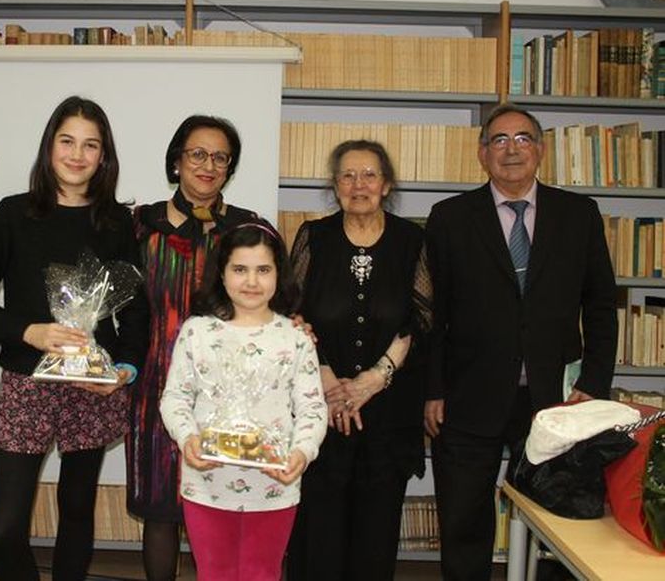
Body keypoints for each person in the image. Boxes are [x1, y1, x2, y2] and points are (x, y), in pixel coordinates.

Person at [0, 96, 148, 581]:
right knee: (4, 525)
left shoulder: (116, 223)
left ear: (104, 157)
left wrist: (123, 371)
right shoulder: (13, 215)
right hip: (26, 382)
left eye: (91, 145)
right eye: (67, 141)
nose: (77, 155)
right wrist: (28, 331)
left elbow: (137, 313)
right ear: (49, 147)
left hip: (92, 386)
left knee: (77, 512)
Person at [424, 103, 617, 580]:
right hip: (468, 395)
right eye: (500, 141)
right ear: (482, 153)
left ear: (541, 150)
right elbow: (431, 315)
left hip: (556, 399)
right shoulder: (449, 217)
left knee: (557, 517)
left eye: (523, 139)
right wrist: (432, 389)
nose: (512, 150)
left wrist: (593, 383)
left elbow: (599, 306)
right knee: (465, 519)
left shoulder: (579, 214)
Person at [285, 140, 432, 580]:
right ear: (335, 185)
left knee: (375, 536)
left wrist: (374, 379)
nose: (358, 184)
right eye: (347, 176)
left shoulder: (413, 240)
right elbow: (293, 314)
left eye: (369, 175)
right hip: (320, 410)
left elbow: (421, 318)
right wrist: (329, 381)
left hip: (388, 415)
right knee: (319, 534)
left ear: (386, 185)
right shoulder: (314, 236)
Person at [124, 114, 257, 580]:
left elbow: (270, 302)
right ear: (176, 161)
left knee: (220, 509)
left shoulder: (247, 230)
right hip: (157, 387)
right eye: (197, 154)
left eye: (220, 157)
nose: (209, 165)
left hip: (229, 394)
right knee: (161, 509)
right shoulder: (141, 225)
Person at [159, 222, 327, 581]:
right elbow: (175, 397)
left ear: (279, 274)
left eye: (263, 270)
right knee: (214, 573)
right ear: (221, 273)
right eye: (240, 269)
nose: (252, 281)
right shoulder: (197, 331)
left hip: (274, 486)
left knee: (261, 573)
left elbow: (312, 408)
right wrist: (188, 438)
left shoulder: (295, 337)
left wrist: (301, 452)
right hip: (206, 483)